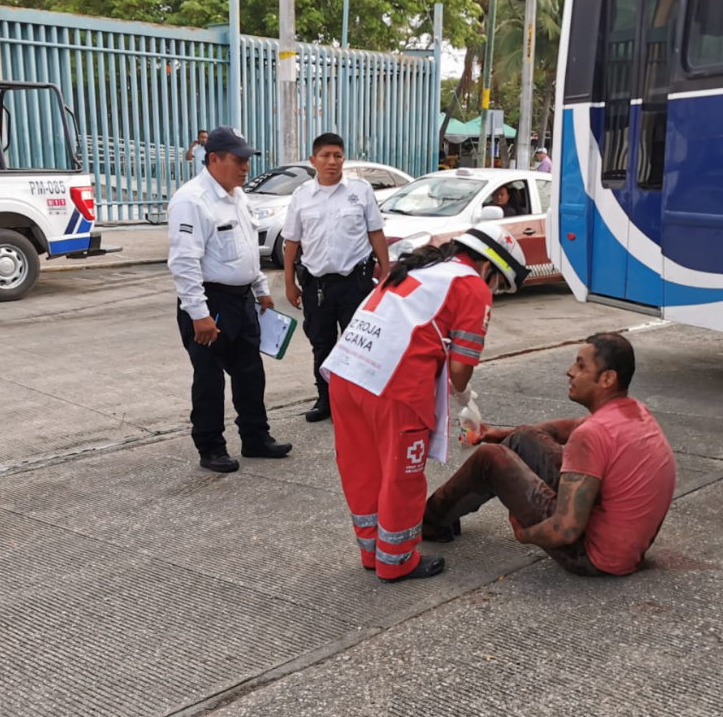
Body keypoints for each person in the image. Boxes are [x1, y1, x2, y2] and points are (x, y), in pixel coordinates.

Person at [322, 224, 530, 582]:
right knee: (403, 475)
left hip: (346, 372)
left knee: (362, 470)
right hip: (395, 385)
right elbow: (461, 370)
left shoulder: (420, 267)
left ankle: (372, 553)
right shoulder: (471, 285)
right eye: (499, 284)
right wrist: (465, 398)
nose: (494, 291)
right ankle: (397, 561)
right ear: (489, 268)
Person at [423, 333, 676, 577]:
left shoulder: (591, 435)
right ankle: (446, 513)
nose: (570, 371)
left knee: (491, 458)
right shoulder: (633, 412)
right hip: (622, 545)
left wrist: (526, 535)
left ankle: (429, 520)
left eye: (581, 366)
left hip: (592, 556)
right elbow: (564, 428)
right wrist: (503, 433)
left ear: (607, 379)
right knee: (523, 438)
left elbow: (565, 530)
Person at [168, 126, 292, 473]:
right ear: (214, 159)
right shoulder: (192, 201)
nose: (245, 167)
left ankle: (255, 438)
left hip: (242, 302)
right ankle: (211, 448)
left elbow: (245, 251)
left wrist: (261, 290)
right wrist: (199, 314)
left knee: (251, 374)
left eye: (247, 160)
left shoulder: (238, 196)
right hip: (211, 303)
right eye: (238, 160)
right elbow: (184, 262)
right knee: (209, 380)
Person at [282, 132, 391, 423]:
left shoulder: (361, 190)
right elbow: (291, 242)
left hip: (355, 283)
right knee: (322, 344)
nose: (332, 162)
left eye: (337, 156)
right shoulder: (301, 196)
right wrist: (289, 282)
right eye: (326, 156)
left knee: (358, 344)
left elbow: (375, 232)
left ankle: (357, 400)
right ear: (313, 160)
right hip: (316, 285)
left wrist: (386, 274)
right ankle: (326, 399)